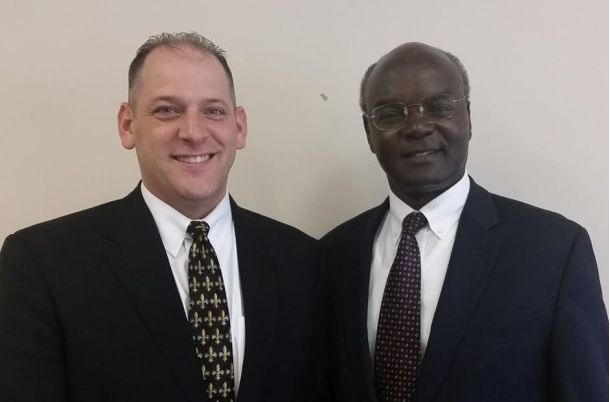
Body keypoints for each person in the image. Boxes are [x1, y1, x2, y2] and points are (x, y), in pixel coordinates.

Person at [0, 32, 326, 402]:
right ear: (127, 125)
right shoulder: (44, 264)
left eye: (213, 110)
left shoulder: (302, 260)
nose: (193, 132)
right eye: (167, 110)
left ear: (238, 127)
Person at [322, 42, 608, 402]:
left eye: (439, 107)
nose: (417, 126)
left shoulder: (554, 251)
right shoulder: (333, 256)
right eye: (391, 113)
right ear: (368, 132)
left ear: (467, 117)